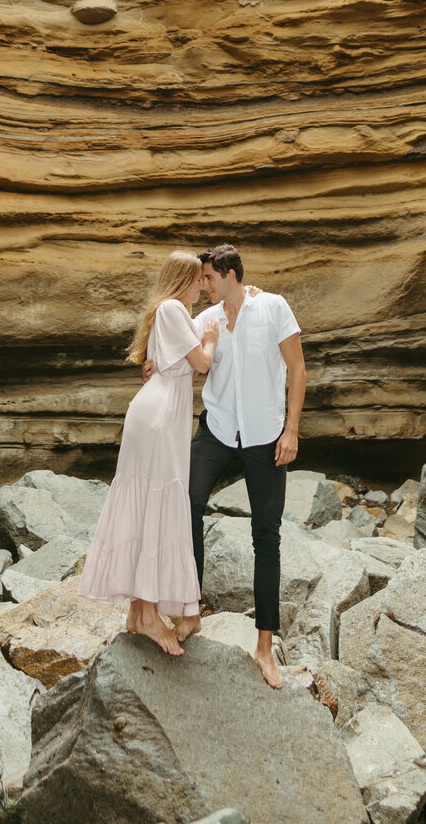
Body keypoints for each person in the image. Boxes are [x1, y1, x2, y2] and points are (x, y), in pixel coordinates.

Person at [78, 249, 219, 656]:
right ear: (182, 280)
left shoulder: (171, 313)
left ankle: (142, 613)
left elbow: (180, 362)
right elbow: (202, 363)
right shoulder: (174, 308)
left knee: (148, 509)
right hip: (158, 420)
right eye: (197, 279)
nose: (201, 286)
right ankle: (148, 614)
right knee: (156, 506)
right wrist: (208, 343)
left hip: (160, 416)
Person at [189, 242, 305, 689]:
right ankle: (189, 609)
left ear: (231, 275)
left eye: (209, 278)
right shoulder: (205, 320)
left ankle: (264, 647)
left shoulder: (274, 307)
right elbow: (168, 341)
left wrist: (291, 430)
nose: (203, 285)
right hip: (217, 429)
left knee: (266, 536)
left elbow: (297, 368)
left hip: (265, 434)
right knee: (187, 500)